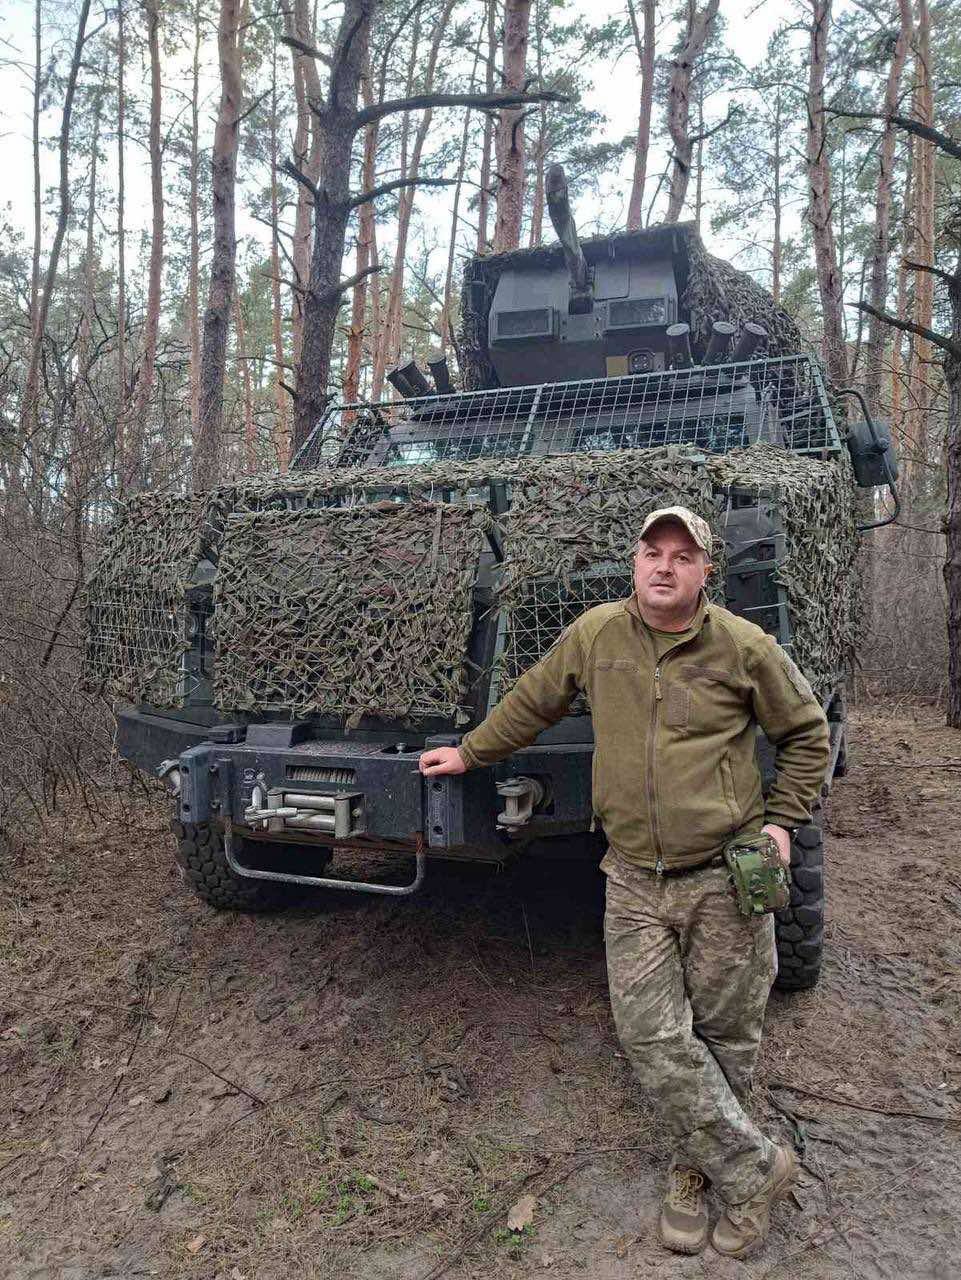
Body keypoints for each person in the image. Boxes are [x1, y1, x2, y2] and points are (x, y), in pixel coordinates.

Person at [419, 506, 830, 1258]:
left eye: (682, 555)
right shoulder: (596, 634)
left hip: (724, 876)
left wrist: (780, 825)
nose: (664, 566)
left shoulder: (744, 647)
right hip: (634, 877)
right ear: (634, 562)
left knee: (726, 1036)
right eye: (652, 552)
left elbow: (806, 734)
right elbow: (534, 699)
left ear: (706, 570)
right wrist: (471, 753)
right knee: (650, 1035)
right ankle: (754, 1171)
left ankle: (695, 1172)